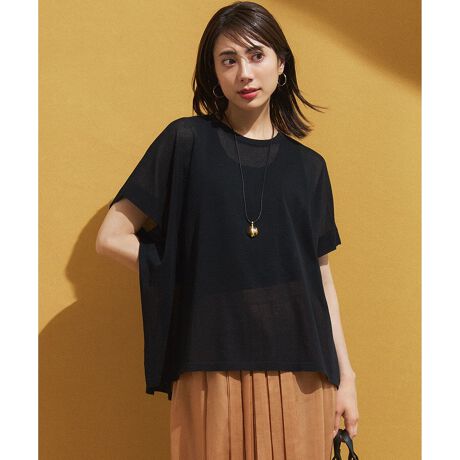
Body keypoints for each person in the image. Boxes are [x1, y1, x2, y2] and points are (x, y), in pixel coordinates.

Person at [96, 1, 359, 458]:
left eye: (256, 55)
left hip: (303, 372)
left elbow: (321, 279)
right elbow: (111, 238)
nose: (244, 73)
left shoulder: (310, 168)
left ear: (281, 63)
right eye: (228, 60)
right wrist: (191, 276)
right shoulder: (186, 142)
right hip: (212, 364)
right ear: (214, 72)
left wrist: (347, 377)